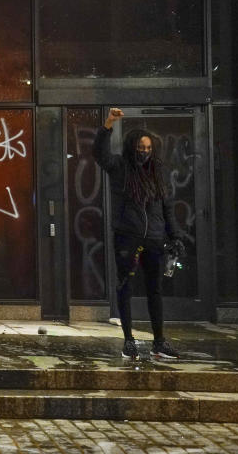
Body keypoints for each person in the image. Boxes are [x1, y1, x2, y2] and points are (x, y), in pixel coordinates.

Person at [93, 108, 183, 361]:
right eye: (141, 147)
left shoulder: (158, 173)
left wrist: (174, 236)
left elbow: (167, 207)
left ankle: (159, 342)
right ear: (132, 147)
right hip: (128, 238)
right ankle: (129, 341)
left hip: (154, 239)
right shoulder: (120, 167)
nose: (145, 152)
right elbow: (100, 153)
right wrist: (108, 124)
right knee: (126, 287)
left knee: (155, 289)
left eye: (148, 148)